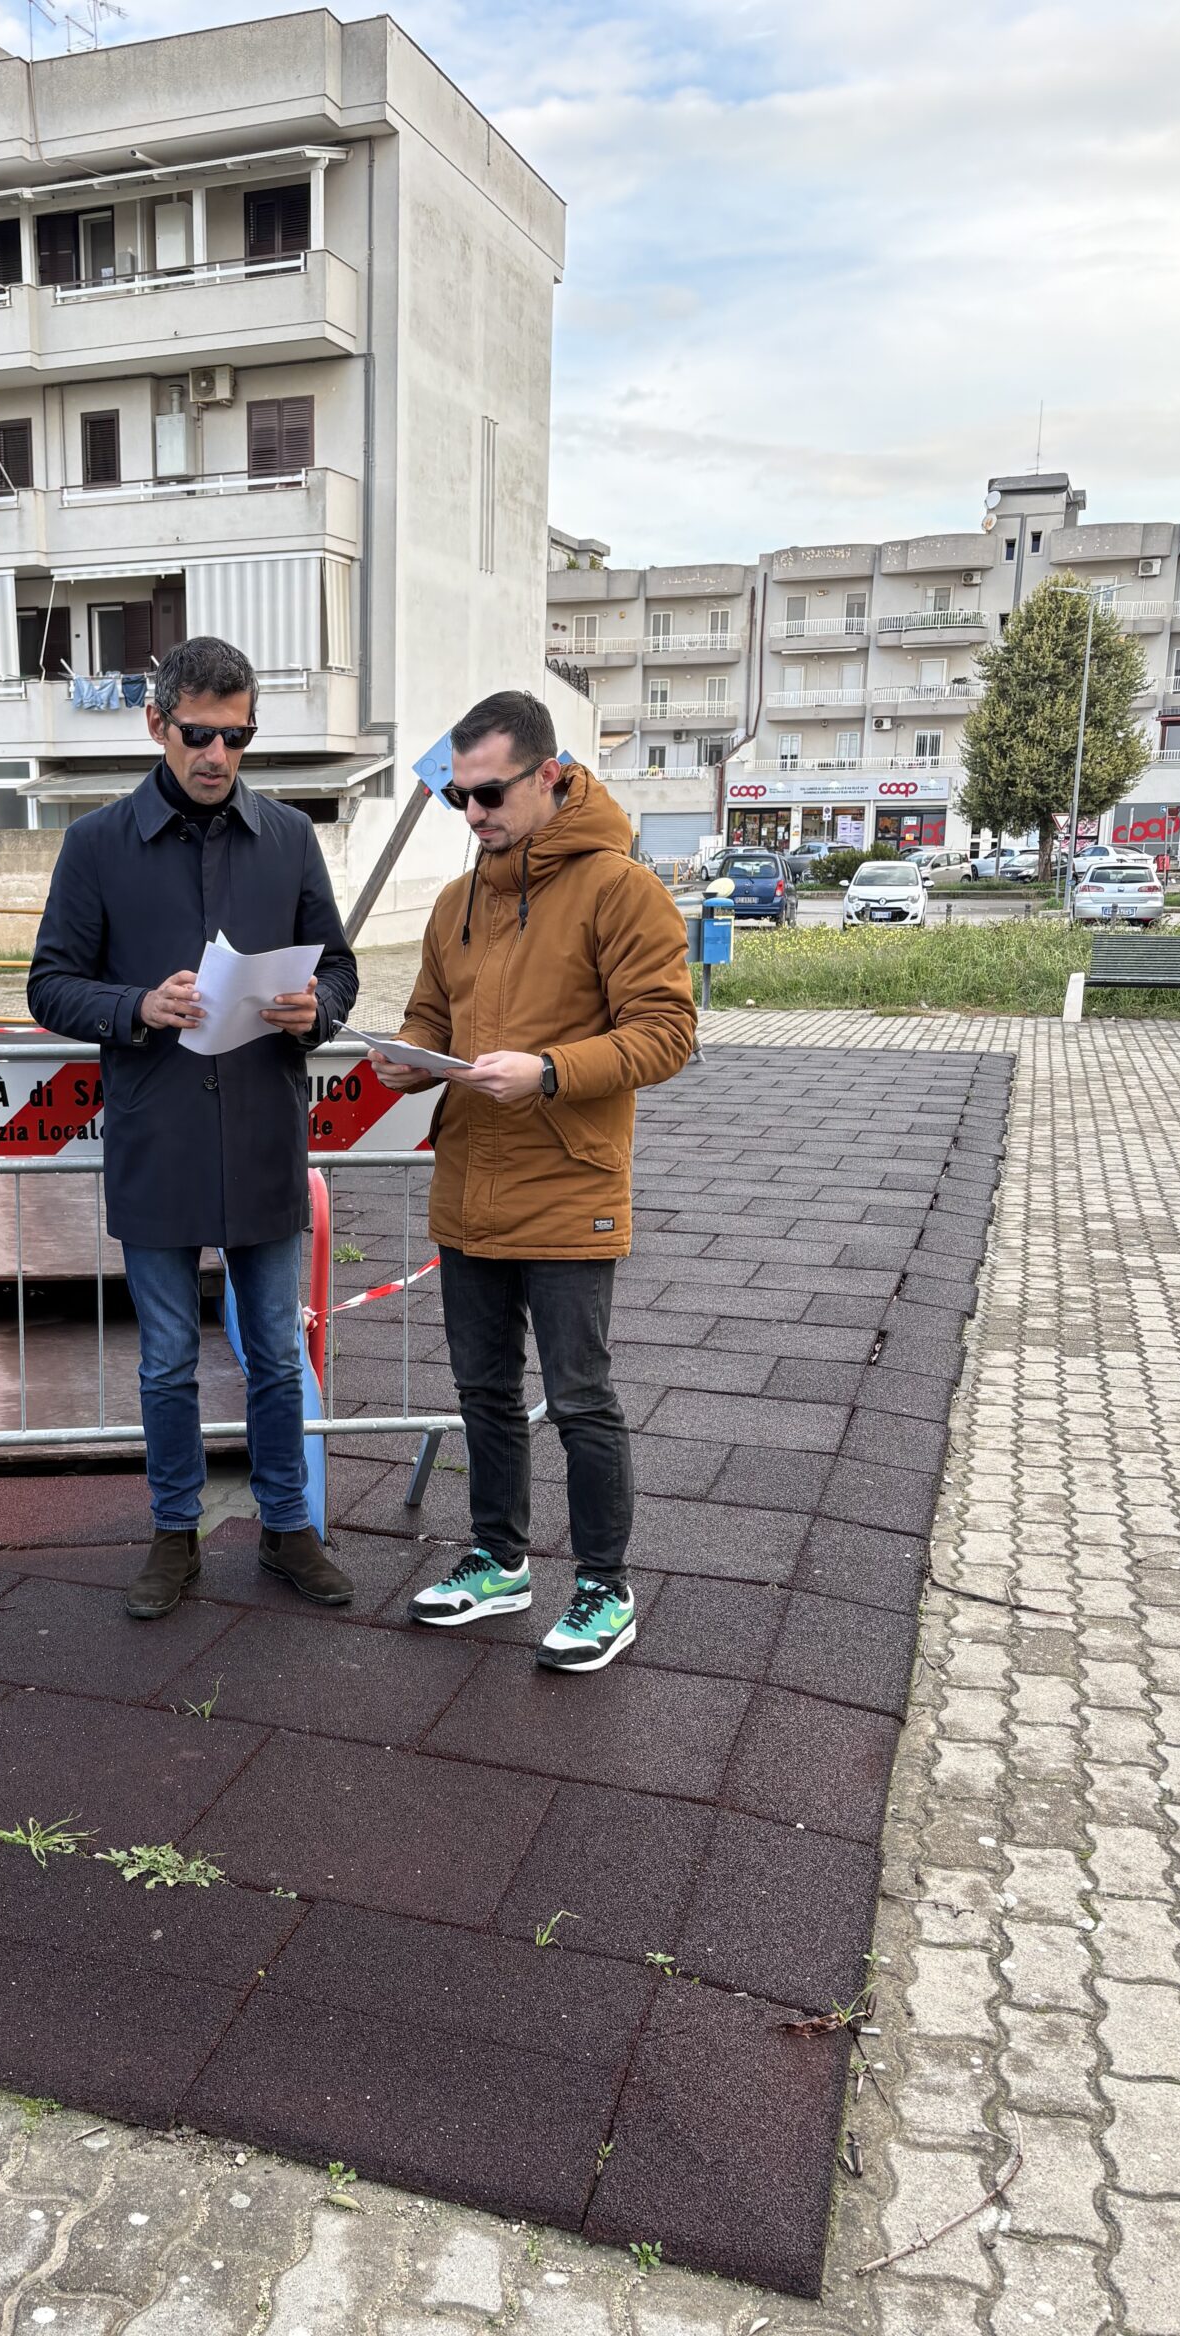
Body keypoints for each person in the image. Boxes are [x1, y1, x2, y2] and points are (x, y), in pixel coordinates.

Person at [28, 634, 359, 1617]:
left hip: (261, 1130)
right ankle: (174, 1534)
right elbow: (50, 983)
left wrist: (320, 1009)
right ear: (157, 725)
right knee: (167, 1357)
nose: (218, 755)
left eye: (238, 736)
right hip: (158, 1133)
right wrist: (137, 1006)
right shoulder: (95, 843)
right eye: (199, 734)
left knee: (273, 1345)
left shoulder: (290, 838)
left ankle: (287, 1527)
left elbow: (338, 967)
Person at [371, 689, 696, 1672]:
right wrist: (408, 1054)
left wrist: (550, 1069)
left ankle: (605, 1585)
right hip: (469, 1180)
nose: (472, 816)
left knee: (580, 1395)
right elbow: (433, 1012)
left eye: (490, 794)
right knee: (481, 1389)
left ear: (551, 776)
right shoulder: (456, 898)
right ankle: (500, 1559)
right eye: (458, 797)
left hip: (567, 1183)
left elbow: (667, 1032)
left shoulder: (621, 889)